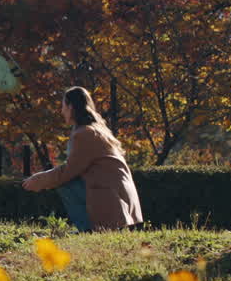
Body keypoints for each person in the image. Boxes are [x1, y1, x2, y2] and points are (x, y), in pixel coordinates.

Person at [22, 86, 143, 232]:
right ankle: (91, 228)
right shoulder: (96, 130)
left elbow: (68, 171)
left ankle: (87, 230)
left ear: (71, 107)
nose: (61, 111)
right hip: (118, 193)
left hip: (111, 194)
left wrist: (38, 180)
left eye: (63, 106)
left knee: (65, 184)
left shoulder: (84, 134)